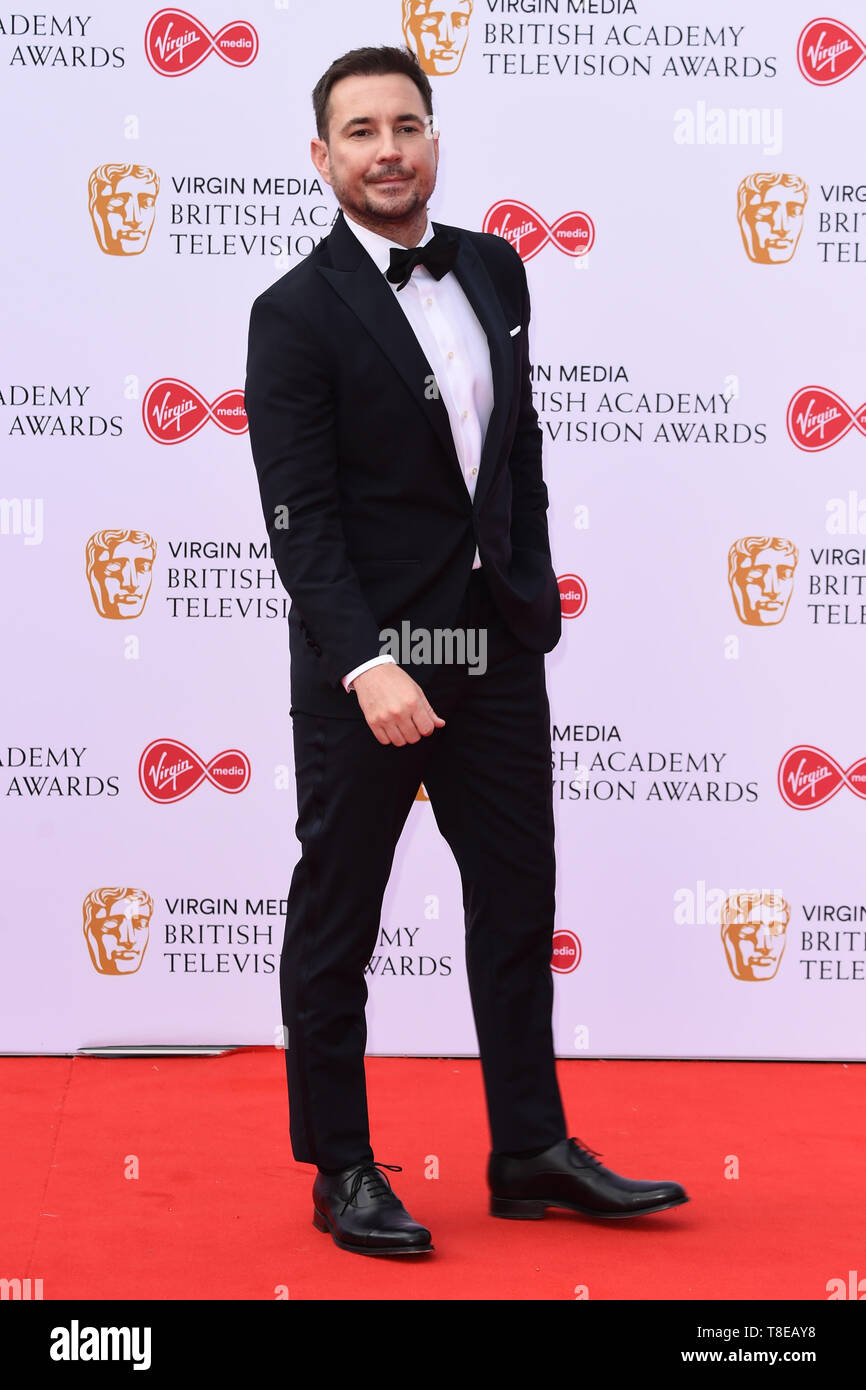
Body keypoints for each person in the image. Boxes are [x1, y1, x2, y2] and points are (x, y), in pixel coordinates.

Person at [244, 44, 688, 1257]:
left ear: (432, 136)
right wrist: (365, 661)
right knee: (339, 913)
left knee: (516, 900)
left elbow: (517, 449)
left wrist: (529, 594)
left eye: (406, 124)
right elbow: (299, 515)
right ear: (322, 155)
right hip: (370, 666)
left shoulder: (493, 266)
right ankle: (340, 1165)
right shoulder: (290, 315)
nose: (387, 149)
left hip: (493, 651)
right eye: (360, 132)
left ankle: (528, 1147)